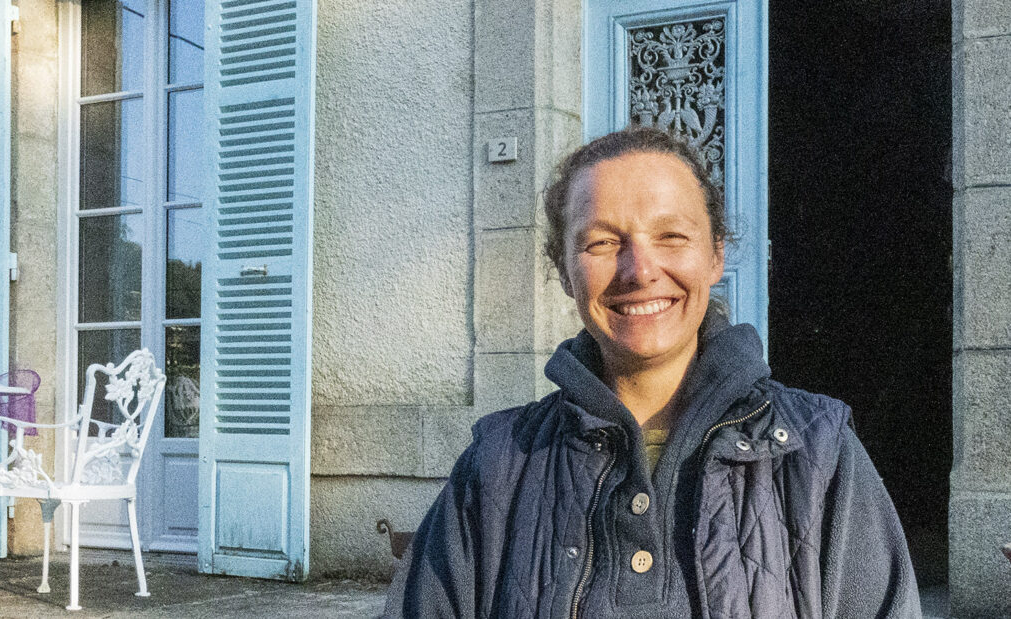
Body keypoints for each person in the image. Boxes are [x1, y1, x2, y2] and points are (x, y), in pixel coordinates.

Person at [384, 126, 921, 618]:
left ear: (715, 256)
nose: (639, 270)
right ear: (566, 272)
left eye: (671, 236)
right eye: (601, 242)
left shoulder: (818, 452)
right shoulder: (497, 464)